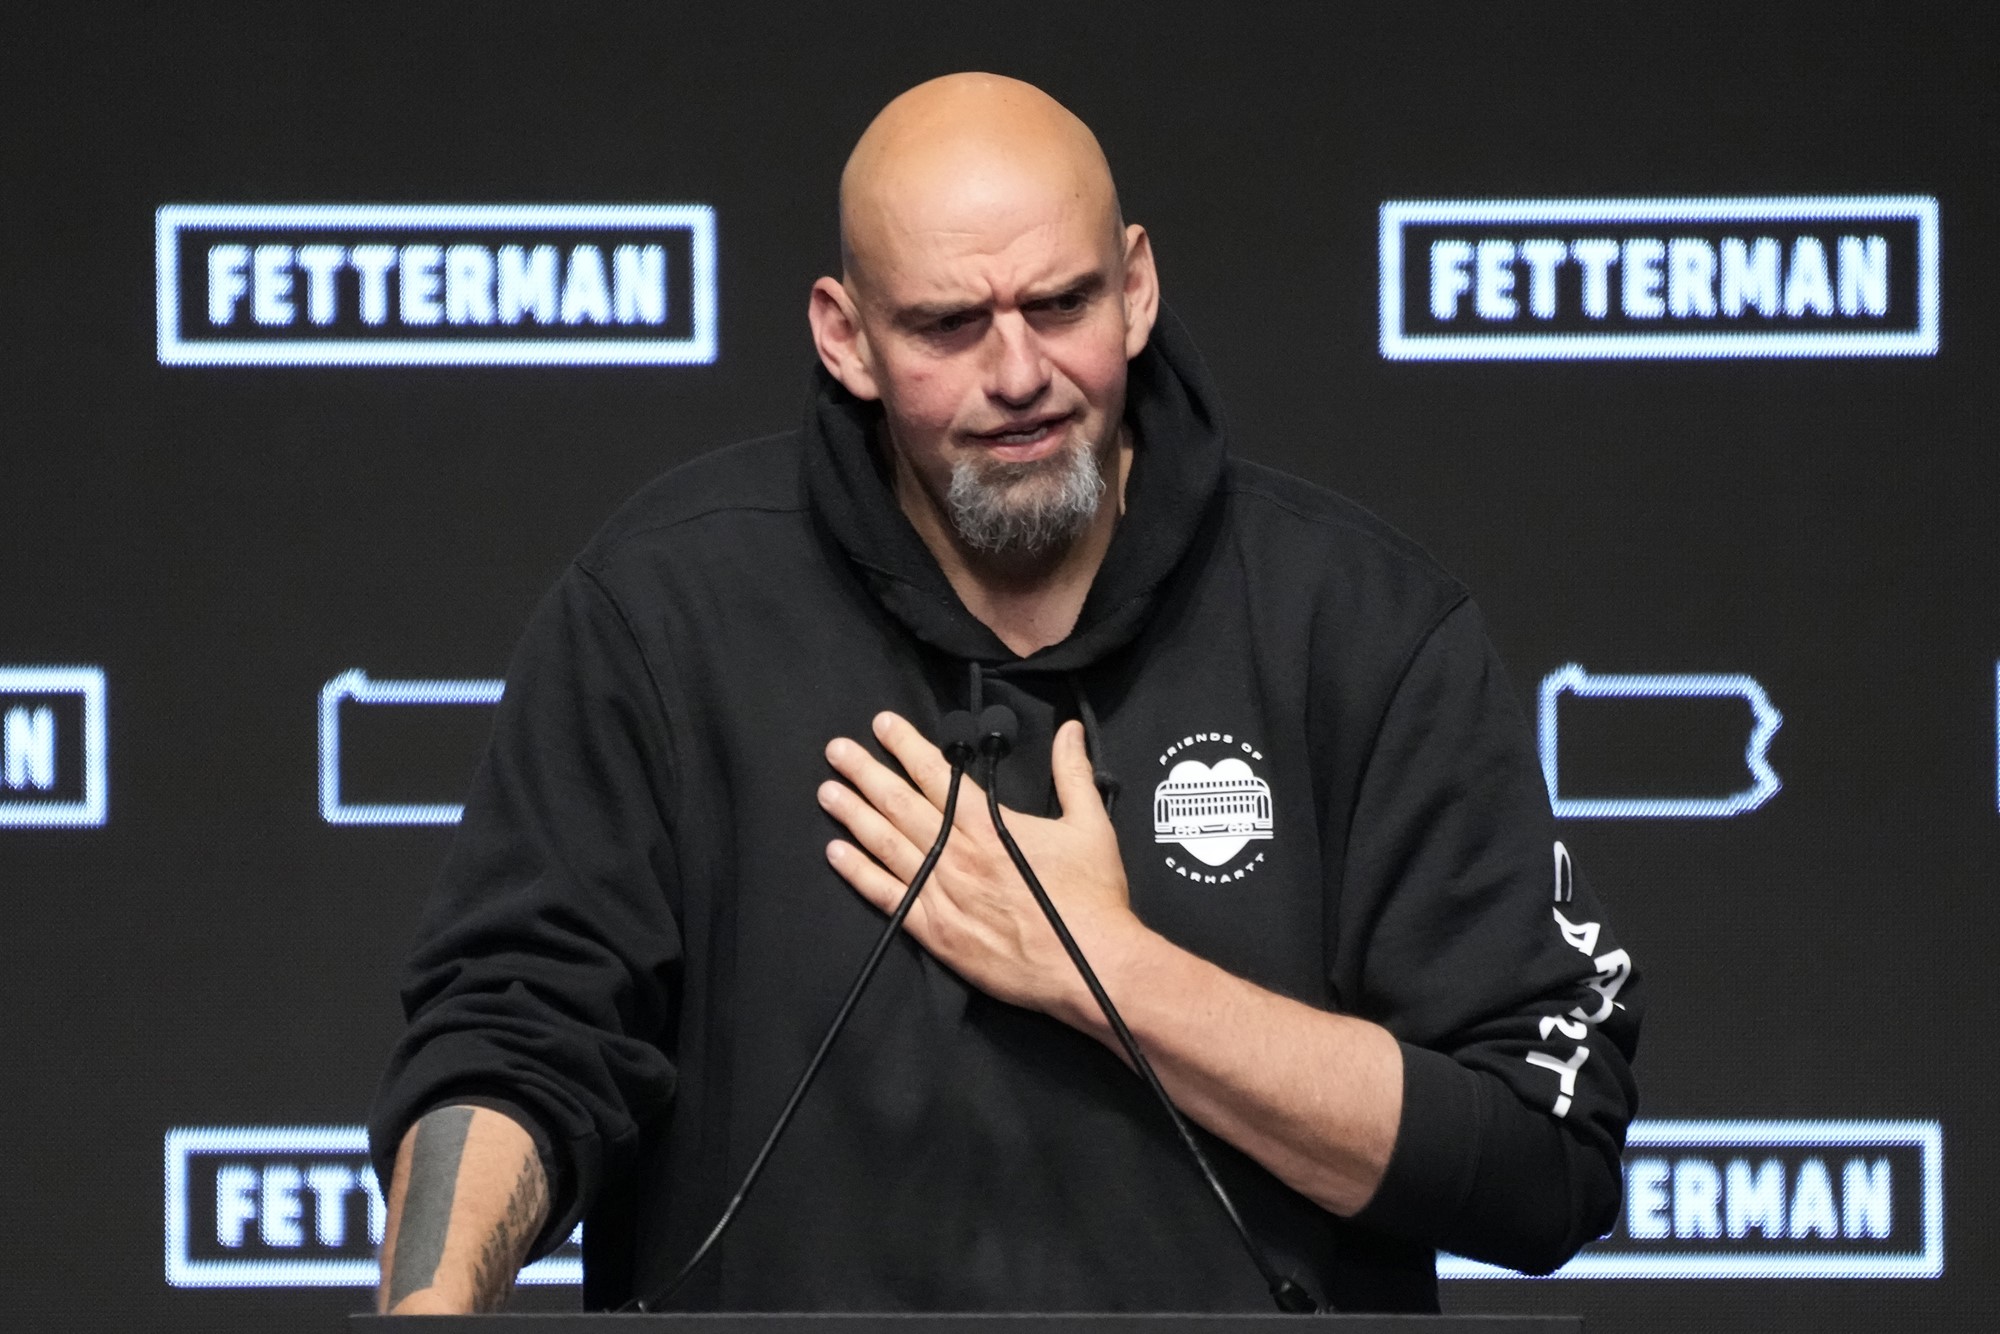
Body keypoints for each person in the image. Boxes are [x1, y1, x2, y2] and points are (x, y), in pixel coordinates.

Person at [369, 72, 1641, 1316]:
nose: (1020, 371)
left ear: (1135, 287)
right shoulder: (660, 614)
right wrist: (429, 1302)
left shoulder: (1360, 625)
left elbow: (1540, 1153)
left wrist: (1112, 973)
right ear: (844, 335)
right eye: (946, 326)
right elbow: (515, 1031)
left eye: (1060, 302)